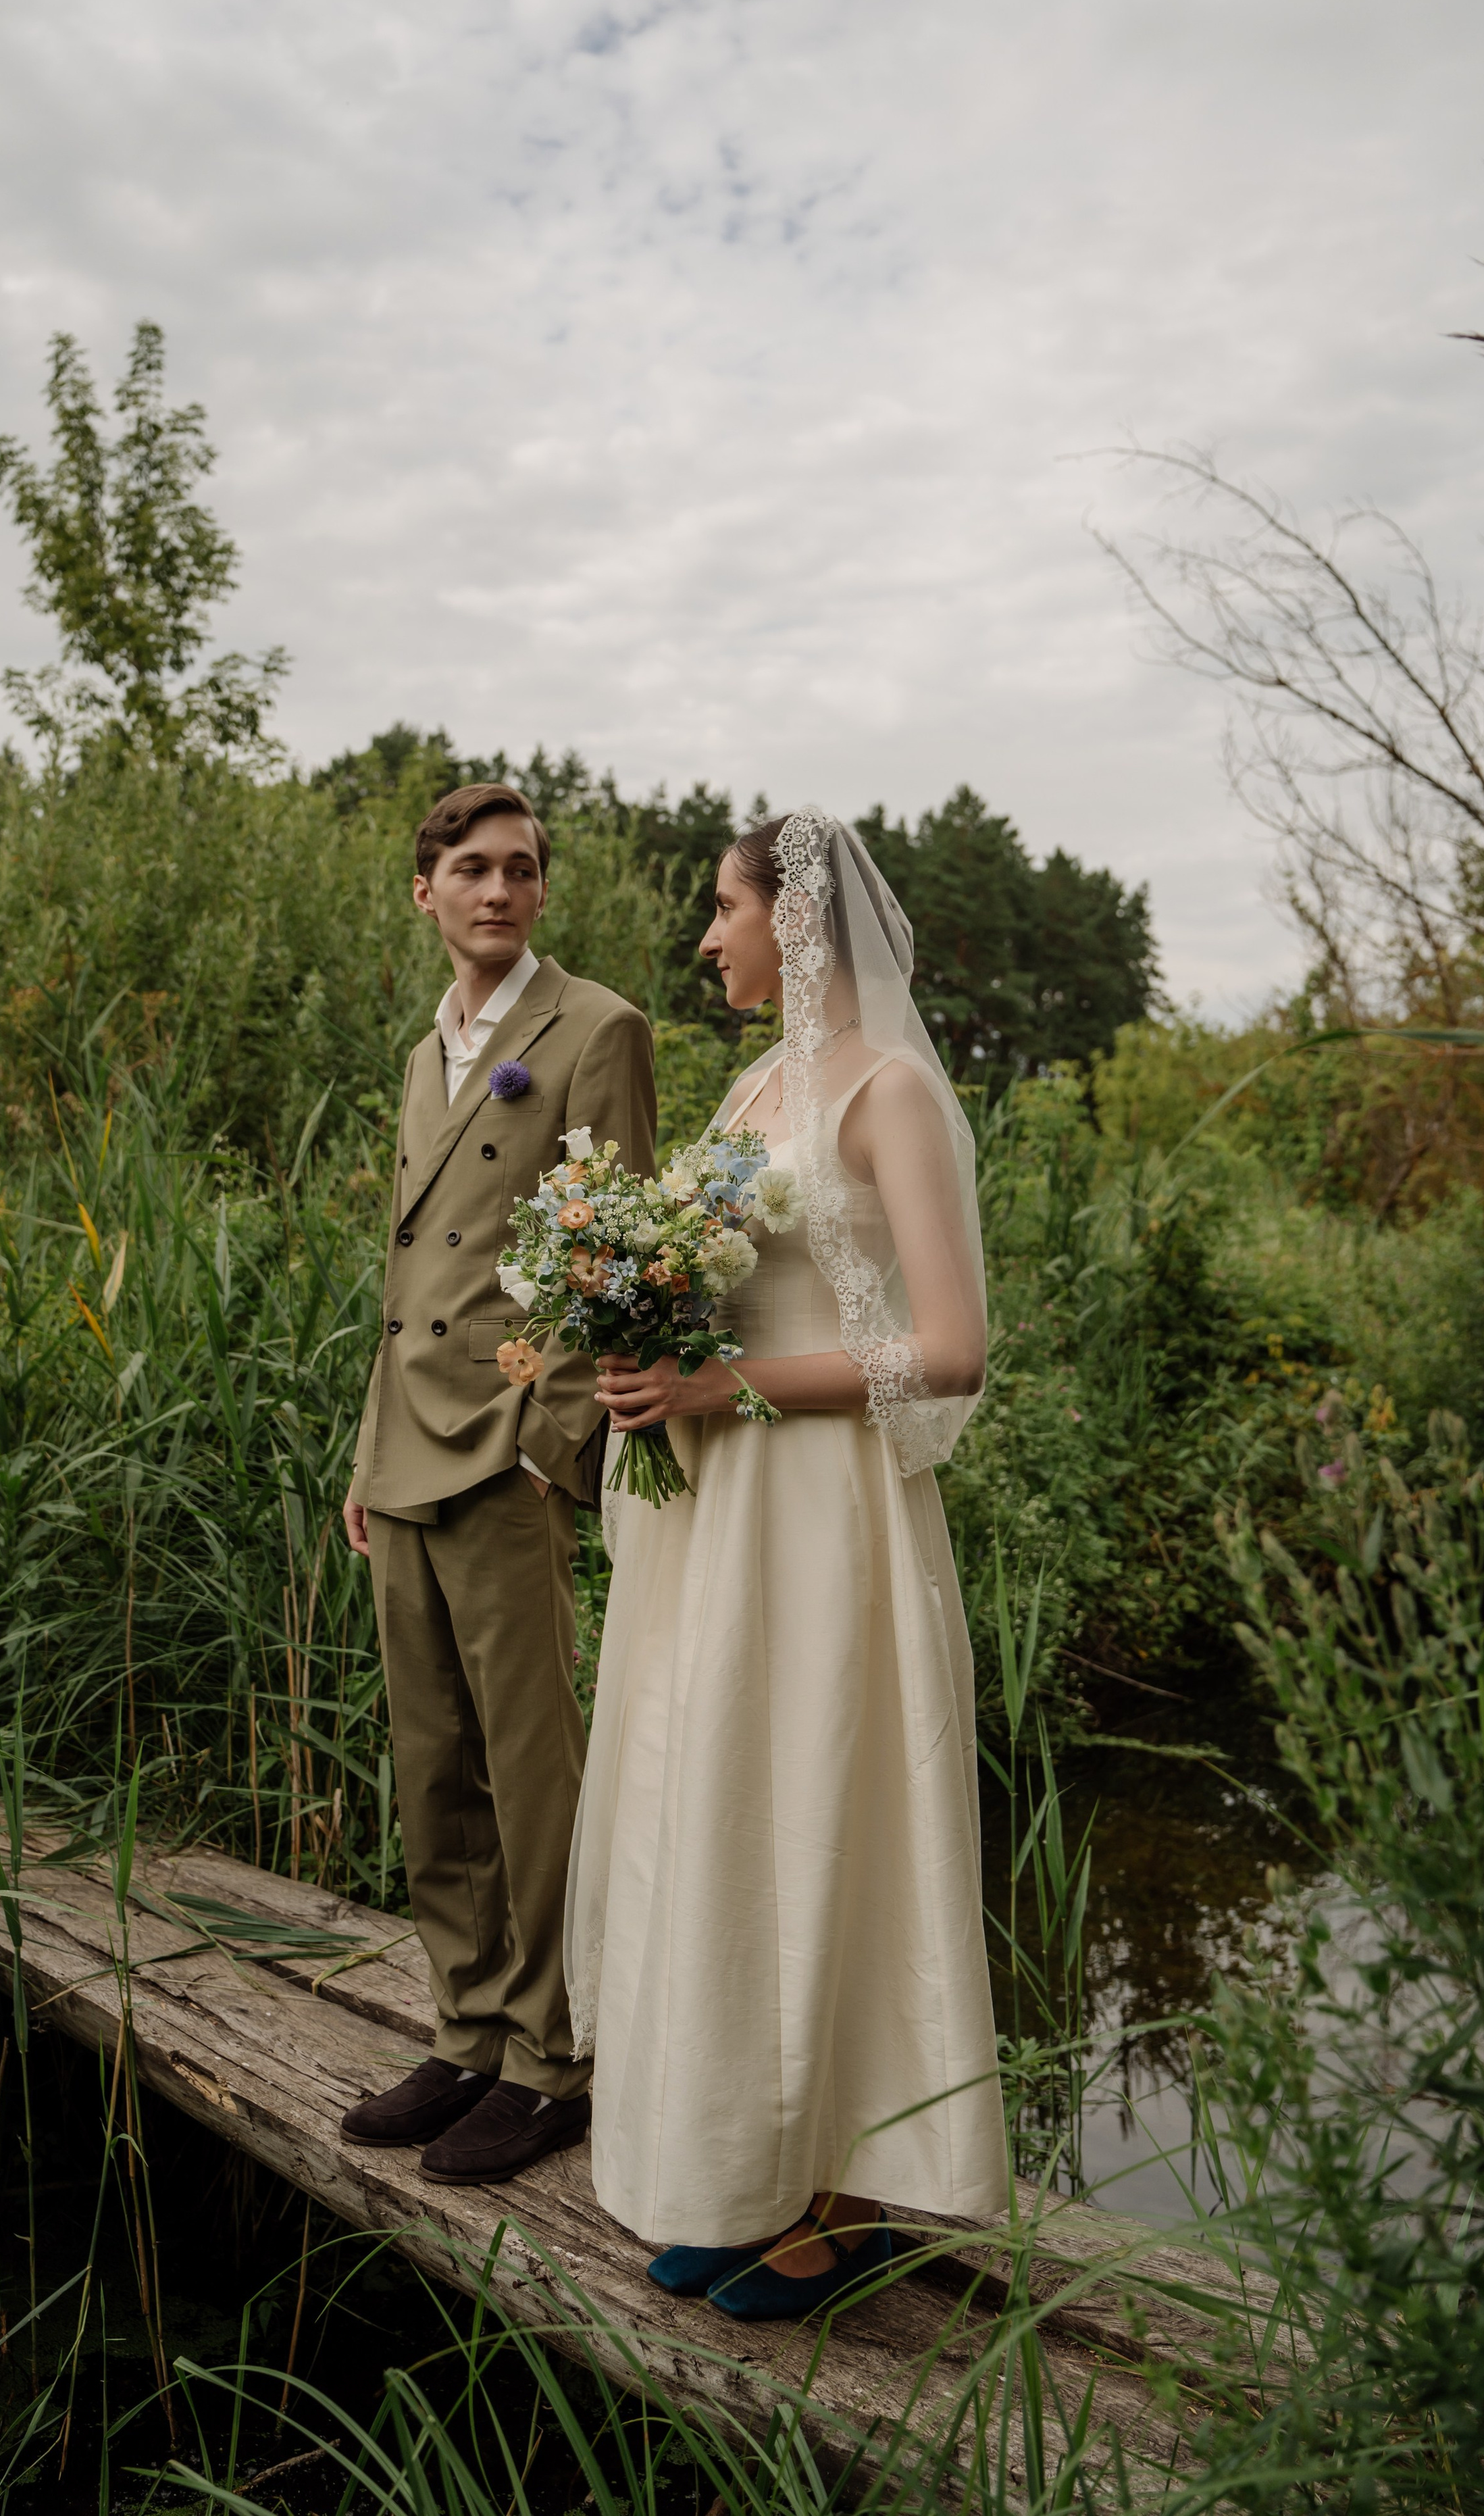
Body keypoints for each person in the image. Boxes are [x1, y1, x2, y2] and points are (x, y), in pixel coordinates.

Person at [564, 806, 1008, 2317]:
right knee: (720, 1809)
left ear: (796, 918)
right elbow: (725, 1287)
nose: (708, 938)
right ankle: (742, 2176)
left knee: (822, 1807)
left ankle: (839, 2204)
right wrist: (636, 1337)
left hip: (824, 1514)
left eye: (723, 908)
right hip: (720, 1510)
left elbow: (949, 1349)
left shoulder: (890, 1093)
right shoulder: (756, 1086)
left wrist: (722, 1385)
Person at [340, 782, 655, 2186]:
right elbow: (407, 1273)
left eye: (522, 869)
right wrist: (365, 1456)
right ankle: (466, 2030)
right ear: (426, 891)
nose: (501, 891)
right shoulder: (429, 1050)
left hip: (506, 1449)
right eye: (472, 869)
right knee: (432, 1762)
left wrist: (553, 1447)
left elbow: (613, 1252)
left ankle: (550, 2060)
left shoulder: (596, 1028)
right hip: (406, 1443)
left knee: (532, 1770)